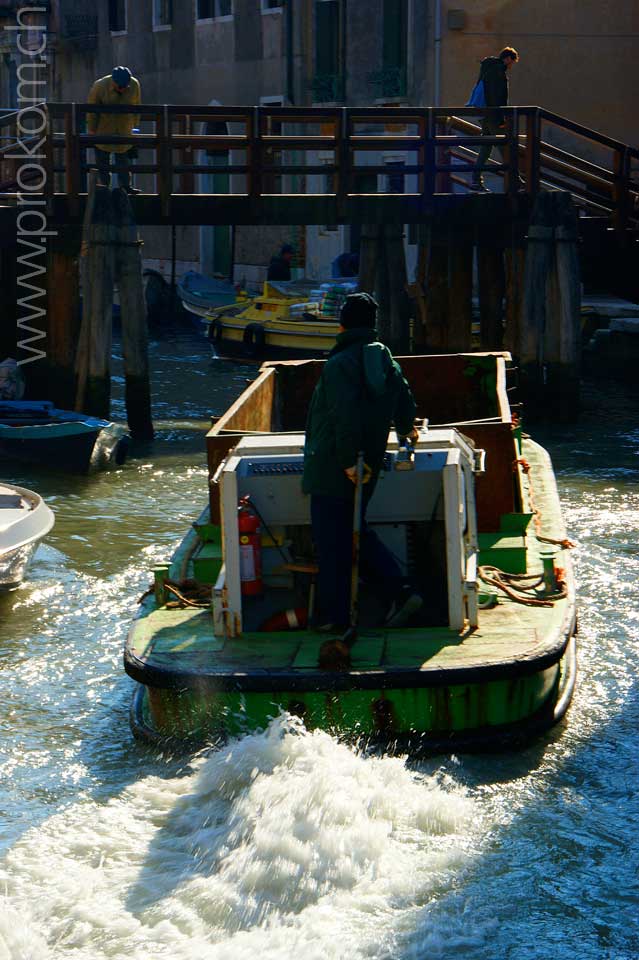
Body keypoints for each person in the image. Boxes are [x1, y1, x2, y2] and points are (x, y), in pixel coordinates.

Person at [302, 292, 423, 656]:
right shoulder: (384, 359)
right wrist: (406, 431)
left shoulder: (338, 363)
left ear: (341, 323)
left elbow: (342, 415)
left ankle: (339, 615)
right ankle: (398, 592)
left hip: (334, 467)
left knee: (332, 540)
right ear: (372, 325)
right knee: (354, 528)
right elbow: (405, 400)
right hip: (368, 464)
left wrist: (344, 461)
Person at [470, 46, 519, 193]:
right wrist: (501, 119)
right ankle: (516, 181)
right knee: (505, 146)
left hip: (482, 113)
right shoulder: (499, 72)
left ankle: (475, 180)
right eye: (512, 63)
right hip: (492, 115)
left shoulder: (488, 68)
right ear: (508, 59)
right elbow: (498, 98)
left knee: (486, 147)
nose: (511, 66)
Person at [87, 66, 141, 193]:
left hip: (124, 128)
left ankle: (126, 187)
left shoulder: (134, 85)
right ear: (113, 82)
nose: (122, 89)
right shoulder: (100, 86)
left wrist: (134, 125)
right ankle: (104, 188)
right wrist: (92, 129)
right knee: (103, 161)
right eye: (120, 86)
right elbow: (91, 110)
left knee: (123, 159)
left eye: (125, 87)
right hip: (104, 128)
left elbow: (137, 105)